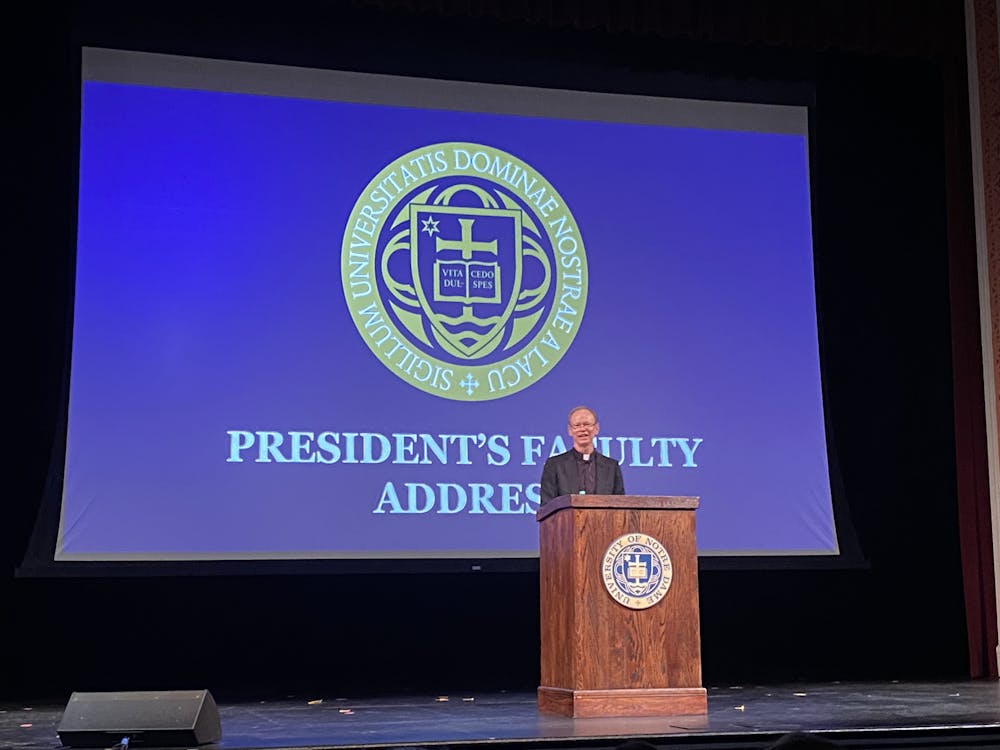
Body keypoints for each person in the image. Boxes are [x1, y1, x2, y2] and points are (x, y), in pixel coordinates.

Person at [539, 405, 625, 505]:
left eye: (587, 424)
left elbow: (620, 506)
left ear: (596, 428)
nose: (583, 429)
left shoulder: (611, 467)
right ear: (570, 430)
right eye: (577, 425)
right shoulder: (554, 465)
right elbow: (547, 506)